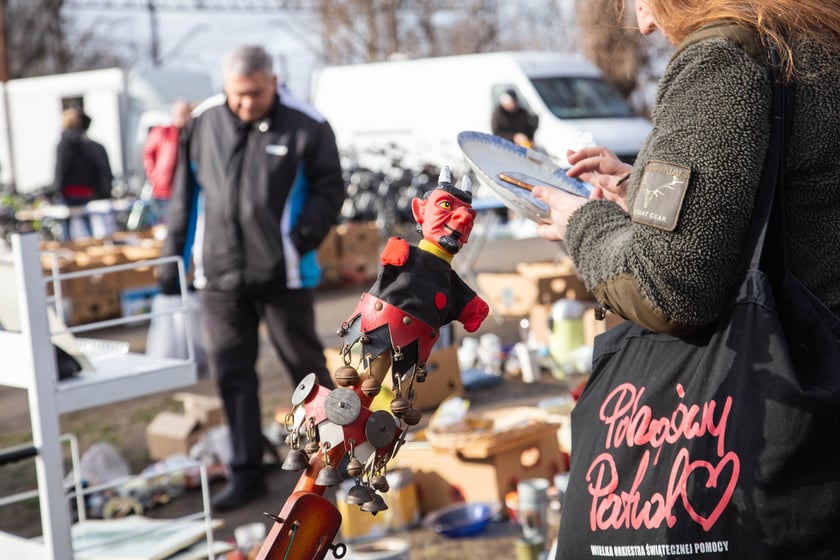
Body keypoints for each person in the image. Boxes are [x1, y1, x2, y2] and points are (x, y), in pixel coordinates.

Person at [533, 0, 840, 334]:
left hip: (788, 365)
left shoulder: (722, 61)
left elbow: (670, 290)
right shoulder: (817, 38)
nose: (644, 23)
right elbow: (788, 192)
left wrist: (581, 224)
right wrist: (635, 188)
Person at [158, 45, 346, 511]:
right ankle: (245, 472)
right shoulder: (202, 121)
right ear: (226, 87)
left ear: (273, 82)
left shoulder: (308, 124)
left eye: (256, 94)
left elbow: (331, 188)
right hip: (218, 278)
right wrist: (170, 260)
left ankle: (329, 461)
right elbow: (185, 196)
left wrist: (299, 239)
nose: (246, 103)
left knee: (305, 372)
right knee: (232, 375)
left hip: (283, 275)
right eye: (238, 95)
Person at [142, 100, 192, 221]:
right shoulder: (163, 132)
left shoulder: (191, 133)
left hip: (184, 187)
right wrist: (154, 175)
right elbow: (148, 153)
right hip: (164, 188)